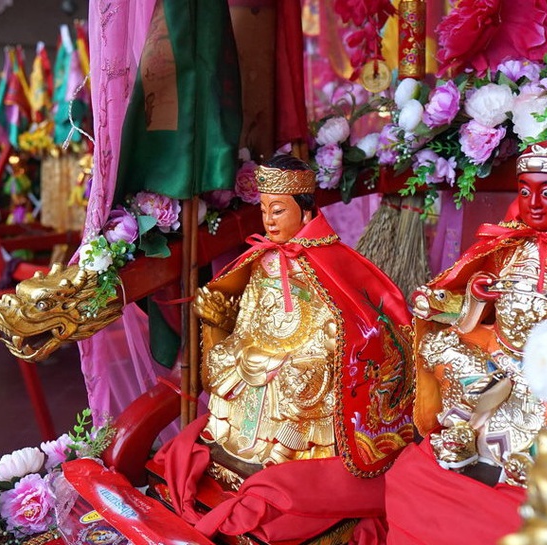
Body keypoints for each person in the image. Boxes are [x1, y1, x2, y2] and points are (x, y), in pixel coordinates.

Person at [153, 155, 416, 543]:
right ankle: (236, 444)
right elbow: (250, 319)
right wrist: (230, 331)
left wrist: (297, 352)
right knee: (234, 361)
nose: (269, 221)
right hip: (262, 349)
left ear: (306, 210)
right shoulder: (261, 261)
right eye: (264, 211)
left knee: (293, 377)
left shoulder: (333, 261)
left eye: (278, 211)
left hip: (307, 357)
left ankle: (293, 454)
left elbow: (345, 326)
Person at [384, 137, 547, 544]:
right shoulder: (507, 245)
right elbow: (463, 310)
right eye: (525, 192)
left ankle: (536, 455)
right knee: (439, 347)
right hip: (500, 358)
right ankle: (465, 432)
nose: (533, 204)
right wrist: (465, 299)